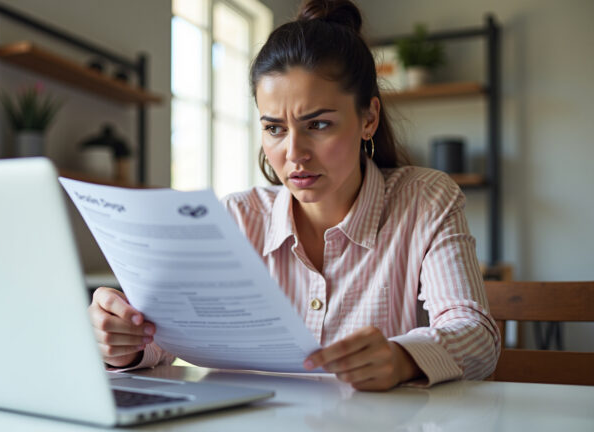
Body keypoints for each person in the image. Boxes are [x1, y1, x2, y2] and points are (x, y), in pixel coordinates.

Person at [88, 0, 500, 390]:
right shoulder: (237, 217)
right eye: (274, 128)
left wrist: (402, 358)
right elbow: (165, 338)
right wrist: (124, 341)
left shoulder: (425, 200)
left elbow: (476, 336)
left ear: (369, 118)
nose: (295, 154)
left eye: (318, 125)